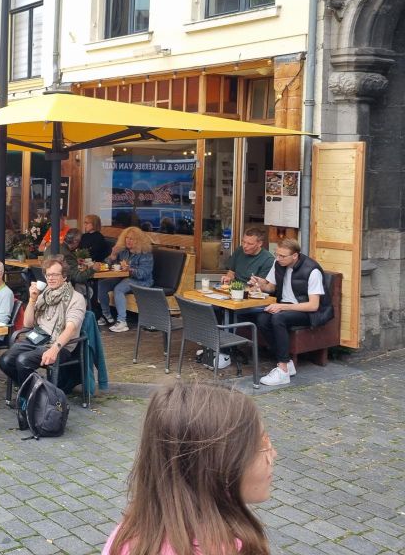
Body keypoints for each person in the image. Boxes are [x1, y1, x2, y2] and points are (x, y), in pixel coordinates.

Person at [102, 381, 274, 555]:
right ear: (217, 462)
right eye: (261, 445)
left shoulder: (125, 538)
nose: (273, 454)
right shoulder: (230, 548)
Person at [249, 238, 330, 387]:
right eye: (277, 254)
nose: (278, 258)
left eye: (282, 256)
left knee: (278, 318)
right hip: (286, 305)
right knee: (262, 319)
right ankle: (287, 362)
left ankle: (283, 370)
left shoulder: (312, 270)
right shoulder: (278, 263)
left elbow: (313, 306)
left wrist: (282, 307)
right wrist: (260, 284)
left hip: (310, 312)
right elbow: (271, 287)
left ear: (295, 256)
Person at [0, 256, 86, 389]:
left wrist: (54, 349)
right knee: (5, 361)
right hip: (38, 339)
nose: (50, 278)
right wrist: (32, 300)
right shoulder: (45, 295)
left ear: (64, 276)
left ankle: (35, 394)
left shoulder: (76, 298)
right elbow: (28, 324)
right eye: (48, 275)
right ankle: (37, 391)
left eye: (55, 275)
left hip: (60, 345)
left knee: (23, 360)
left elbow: (71, 328)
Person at [98, 226, 154, 333]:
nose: (128, 241)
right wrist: (113, 255)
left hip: (141, 281)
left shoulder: (145, 253)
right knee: (102, 284)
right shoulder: (124, 251)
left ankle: (122, 322)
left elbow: (144, 273)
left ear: (138, 241)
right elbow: (106, 266)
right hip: (124, 278)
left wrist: (130, 270)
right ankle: (107, 315)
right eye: (127, 238)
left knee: (119, 289)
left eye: (131, 239)